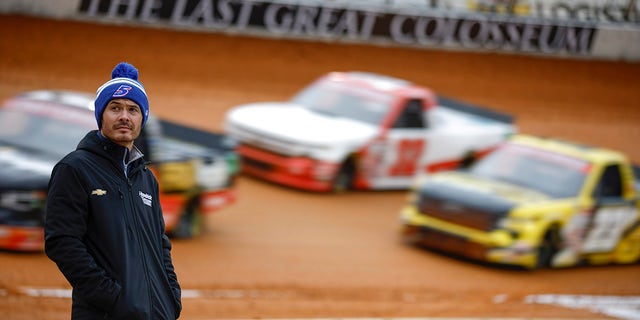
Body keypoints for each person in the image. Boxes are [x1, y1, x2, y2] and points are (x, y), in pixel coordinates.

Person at [45, 62, 182, 319]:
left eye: (133, 109)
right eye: (115, 108)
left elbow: (161, 244)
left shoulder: (146, 179)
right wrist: (111, 298)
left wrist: (170, 297)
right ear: (101, 116)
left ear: (142, 118)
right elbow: (62, 242)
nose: (124, 117)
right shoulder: (74, 168)